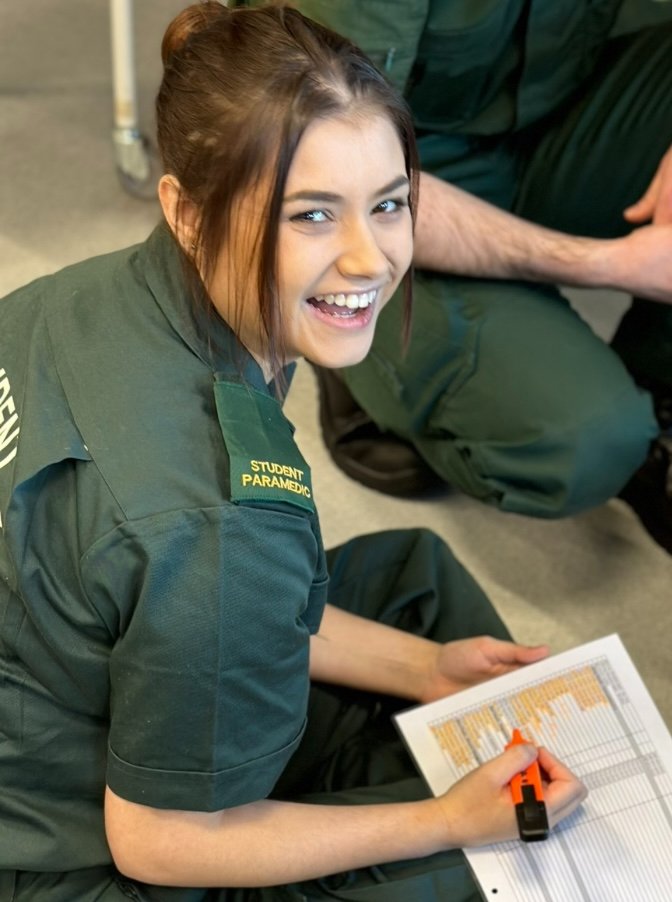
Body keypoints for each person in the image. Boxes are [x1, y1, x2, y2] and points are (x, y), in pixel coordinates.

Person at [0, 3, 586, 900]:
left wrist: (426, 669)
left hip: (65, 684)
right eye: (311, 216)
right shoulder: (217, 521)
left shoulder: (89, 296)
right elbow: (157, 843)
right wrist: (446, 822)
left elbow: (199, 586)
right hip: (64, 851)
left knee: (415, 587)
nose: (368, 259)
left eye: (388, 205)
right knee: (488, 858)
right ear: (188, 214)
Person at [241, 0, 672, 553]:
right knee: (585, 442)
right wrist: (603, 264)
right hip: (387, 186)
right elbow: (325, 160)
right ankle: (350, 346)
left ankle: (657, 387)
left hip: (562, 108)